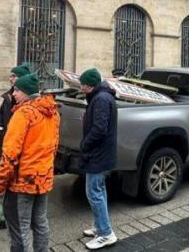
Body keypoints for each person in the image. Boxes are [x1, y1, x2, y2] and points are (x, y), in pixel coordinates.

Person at [0, 73, 60, 252]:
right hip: (43, 178)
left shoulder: (23, 114)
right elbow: (53, 147)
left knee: (19, 228)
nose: (14, 93)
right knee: (40, 222)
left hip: (22, 182)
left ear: (26, 93)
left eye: (17, 90)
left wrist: (0, 186)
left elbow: (9, 154)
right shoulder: (52, 112)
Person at [0, 63, 32, 232]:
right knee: (7, 182)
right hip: (5, 144)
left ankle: (5, 217)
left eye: (14, 75)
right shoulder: (9, 97)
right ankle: (3, 216)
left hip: (17, 149)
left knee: (11, 184)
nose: (10, 78)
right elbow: (0, 115)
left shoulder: (26, 102)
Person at [79, 68, 118, 250]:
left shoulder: (101, 99)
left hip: (98, 154)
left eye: (83, 84)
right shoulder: (100, 96)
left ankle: (105, 234)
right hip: (100, 153)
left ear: (90, 85)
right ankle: (99, 226)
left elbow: (99, 129)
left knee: (94, 193)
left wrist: (85, 144)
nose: (81, 87)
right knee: (98, 191)